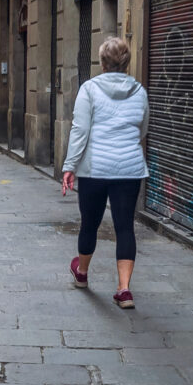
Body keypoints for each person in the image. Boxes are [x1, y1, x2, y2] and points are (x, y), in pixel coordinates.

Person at [61, 36, 149, 309]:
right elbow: (142, 129)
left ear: (102, 63)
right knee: (125, 227)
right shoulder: (140, 91)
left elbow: (80, 130)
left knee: (90, 222)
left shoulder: (89, 89)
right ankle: (124, 290)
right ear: (126, 63)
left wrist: (69, 165)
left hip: (95, 169)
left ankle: (83, 273)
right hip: (129, 169)